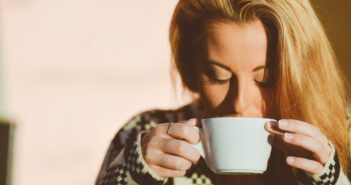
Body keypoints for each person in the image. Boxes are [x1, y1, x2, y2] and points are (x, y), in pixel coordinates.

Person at [96, 0, 351, 184]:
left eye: (266, 79)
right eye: (219, 77)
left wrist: (334, 179)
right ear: (192, 70)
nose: (239, 103)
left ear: (303, 73)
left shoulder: (344, 134)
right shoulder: (144, 132)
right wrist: (129, 176)